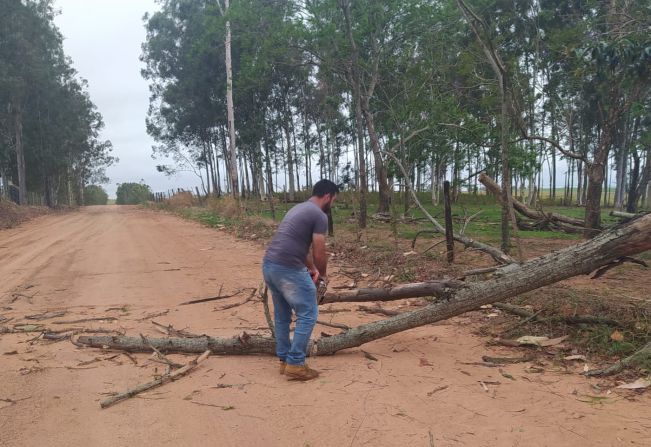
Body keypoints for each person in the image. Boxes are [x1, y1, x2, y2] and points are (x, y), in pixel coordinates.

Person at [262, 179, 338, 381]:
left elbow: (298, 244)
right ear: (328, 196)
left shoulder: (298, 209)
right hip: (288, 268)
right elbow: (319, 250)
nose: (333, 205)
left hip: (270, 266)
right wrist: (322, 275)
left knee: (282, 315)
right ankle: (295, 363)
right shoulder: (319, 215)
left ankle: (284, 360)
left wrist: (311, 268)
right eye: (334, 201)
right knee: (308, 312)